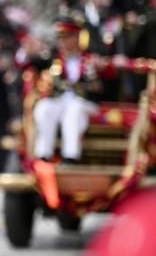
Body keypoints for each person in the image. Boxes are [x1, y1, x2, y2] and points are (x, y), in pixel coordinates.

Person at [31, 15, 120, 163]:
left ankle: (70, 156)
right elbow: (28, 63)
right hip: (61, 100)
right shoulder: (54, 59)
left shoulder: (90, 58)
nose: (63, 42)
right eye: (60, 37)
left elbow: (105, 81)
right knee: (44, 107)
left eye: (67, 37)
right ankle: (44, 154)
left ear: (77, 37)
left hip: (85, 102)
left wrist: (101, 68)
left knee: (74, 110)